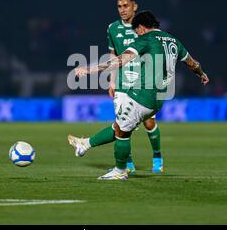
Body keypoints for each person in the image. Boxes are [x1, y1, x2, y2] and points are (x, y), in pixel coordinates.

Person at [68, 11, 209, 180]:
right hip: (160, 99)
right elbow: (193, 63)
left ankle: (120, 171)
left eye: (136, 32)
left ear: (141, 28)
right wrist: (201, 74)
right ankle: (86, 144)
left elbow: (120, 60)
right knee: (119, 126)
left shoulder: (146, 39)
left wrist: (89, 69)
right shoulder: (173, 40)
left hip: (143, 95)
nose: (136, 35)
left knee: (122, 132)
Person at [103, 0, 163, 174]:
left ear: (134, 6)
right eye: (119, 6)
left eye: (126, 6)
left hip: (143, 79)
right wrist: (112, 82)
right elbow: (113, 55)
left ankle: (157, 157)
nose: (122, 10)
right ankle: (127, 163)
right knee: (122, 122)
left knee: (148, 122)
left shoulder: (145, 27)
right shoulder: (112, 28)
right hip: (122, 80)